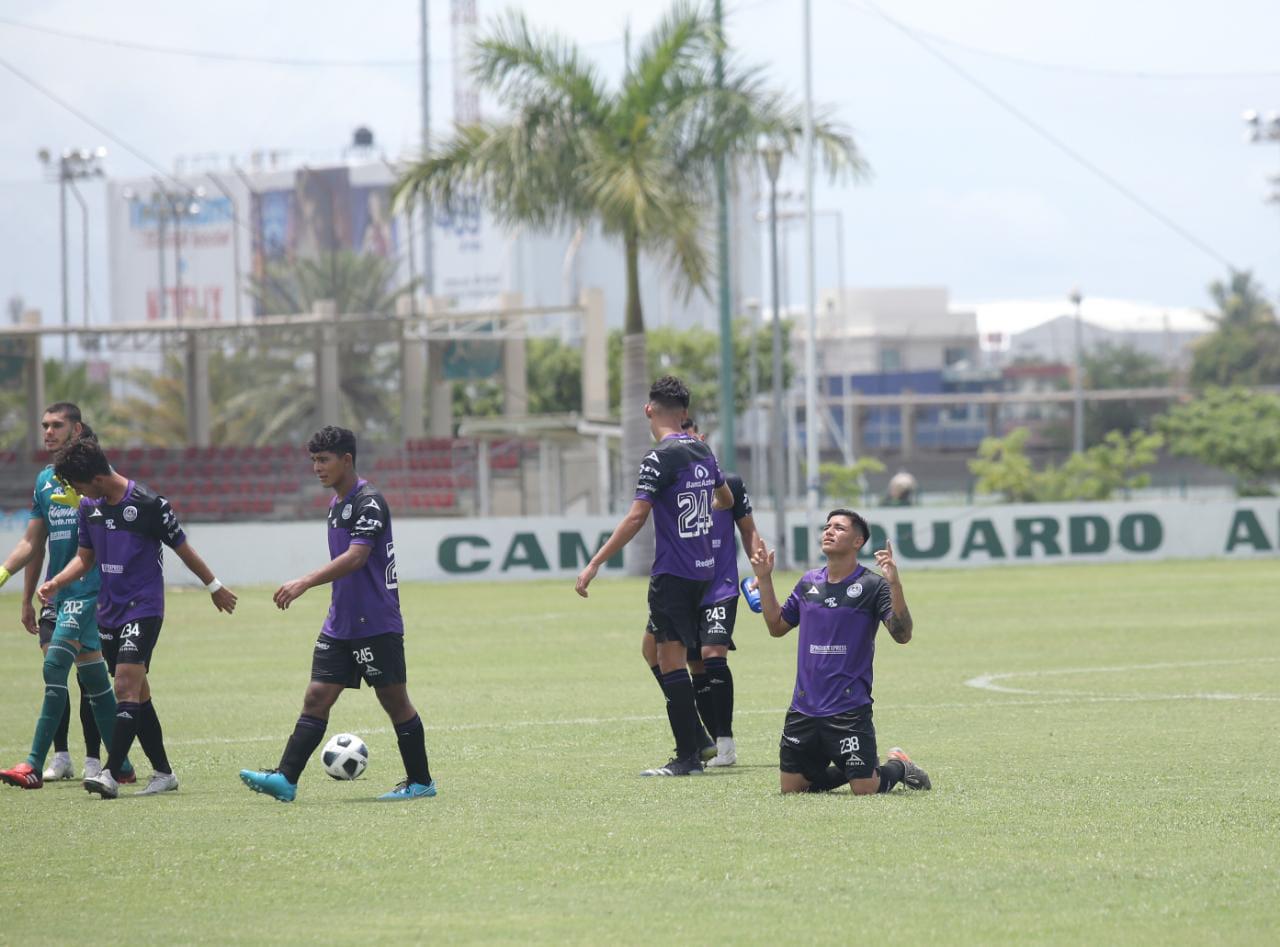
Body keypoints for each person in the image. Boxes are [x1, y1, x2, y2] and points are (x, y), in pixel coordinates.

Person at [239, 426, 436, 802]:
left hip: (375, 622)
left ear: (347, 460)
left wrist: (303, 582)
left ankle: (421, 782)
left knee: (395, 702)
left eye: (324, 459)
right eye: (313, 460)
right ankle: (285, 778)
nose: (317, 467)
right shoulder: (335, 505)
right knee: (316, 696)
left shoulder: (370, 502)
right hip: (341, 623)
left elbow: (358, 557)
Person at [36, 438, 238, 799]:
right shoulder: (90, 507)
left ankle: (110, 773)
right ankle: (164, 773)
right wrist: (56, 581)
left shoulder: (149, 504)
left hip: (143, 608)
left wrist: (214, 586)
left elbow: (183, 548)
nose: (78, 492)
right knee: (139, 693)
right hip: (109, 612)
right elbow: (85, 558)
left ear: (95, 478)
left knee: (125, 686)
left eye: (78, 484)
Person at [576, 377, 734, 776]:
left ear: (649, 410)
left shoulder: (658, 458)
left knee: (670, 660)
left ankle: (687, 757)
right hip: (703, 572)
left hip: (674, 574)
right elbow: (726, 498)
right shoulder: (702, 449)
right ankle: (698, 737)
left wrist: (595, 562)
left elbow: (636, 517)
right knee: (651, 649)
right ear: (684, 413)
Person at [749, 509, 932, 795]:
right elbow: (777, 626)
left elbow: (902, 634)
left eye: (839, 528)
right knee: (792, 790)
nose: (829, 531)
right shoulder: (809, 582)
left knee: (866, 790)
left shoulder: (874, 585)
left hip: (848, 709)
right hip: (804, 707)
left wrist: (895, 584)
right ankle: (852, 769)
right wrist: (765, 578)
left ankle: (898, 766)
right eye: (827, 526)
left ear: (858, 542)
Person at [0, 404, 133, 789]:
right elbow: (32, 542)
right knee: (93, 677)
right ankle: (117, 764)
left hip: (89, 590)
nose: (48, 432)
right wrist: (12, 581)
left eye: (57, 425)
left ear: (76, 429)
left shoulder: (96, 477)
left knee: (55, 667)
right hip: (54, 593)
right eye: (44, 425)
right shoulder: (44, 481)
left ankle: (33, 764)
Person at [640, 419, 758, 768]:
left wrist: (760, 575)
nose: (685, 447)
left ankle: (723, 743)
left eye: (690, 438)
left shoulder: (727, 484)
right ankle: (699, 737)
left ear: (701, 441)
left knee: (711, 653)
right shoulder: (670, 477)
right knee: (658, 653)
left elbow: (749, 531)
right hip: (682, 582)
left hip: (718, 584)